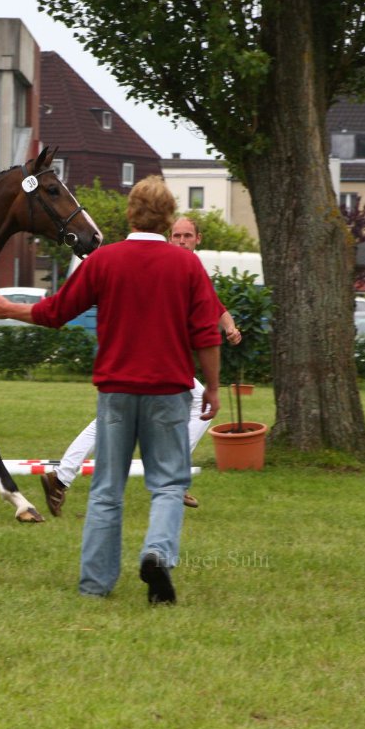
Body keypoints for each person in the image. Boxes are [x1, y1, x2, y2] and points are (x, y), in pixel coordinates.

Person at [0, 177, 221, 605]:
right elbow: (206, 334)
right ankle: (157, 554)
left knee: (107, 489)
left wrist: (7, 308)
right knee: (167, 485)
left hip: (116, 390)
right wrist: (214, 389)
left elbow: (55, 312)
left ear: (130, 213)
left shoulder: (104, 261)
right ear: (168, 220)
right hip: (170, 390)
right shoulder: (187, 267)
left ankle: (95, 584)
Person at [40, 216, 241, 512]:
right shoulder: (171, 264)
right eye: (177, 236)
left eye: (187, 236)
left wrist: (229, 325)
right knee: (195, 403)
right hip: (151, 360)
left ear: (198, 239)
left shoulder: (185, 268)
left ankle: (62, 477)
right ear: (169, 237)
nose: (182, 241)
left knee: (113, 419)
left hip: (146, 361)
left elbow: (213, 303)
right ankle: (172, 477)